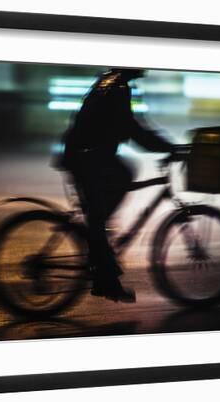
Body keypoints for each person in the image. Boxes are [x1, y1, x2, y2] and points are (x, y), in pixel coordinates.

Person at [58, 68, 173, 303]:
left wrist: (161, 144)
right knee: (100, 214)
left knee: (121, 178)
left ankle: (98, 249)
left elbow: (128, 126)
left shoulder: (109, 81)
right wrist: (167, 147)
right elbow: (130, 127)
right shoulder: (118, 87)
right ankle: (105, 277)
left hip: (86, 154)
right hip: (88, 157)